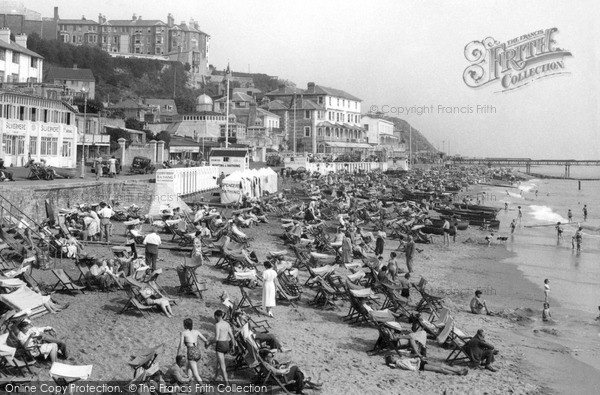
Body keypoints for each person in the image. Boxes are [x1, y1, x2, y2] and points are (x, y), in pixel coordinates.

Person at [258, 350, 323, 394]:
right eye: (271, 356)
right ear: (266, 358)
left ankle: (306, 383)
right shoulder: (266, 365)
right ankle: (302, 386)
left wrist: (280, 366)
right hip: (281, 378)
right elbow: (276, 372)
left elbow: (274, 370)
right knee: (295, 368)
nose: (272, 357)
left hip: (278, 376)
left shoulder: (263, 363)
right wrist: (285, 370)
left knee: (298, 373)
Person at [207, 310, 236, 386]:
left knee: (222, 366)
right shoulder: (227, 324)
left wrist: (209, 343)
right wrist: (233, 346)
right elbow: (232, 337)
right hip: (226, 345)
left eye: (215, 317)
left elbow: (216, 338)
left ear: (216, 316)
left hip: (220, 345)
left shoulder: (218, 325)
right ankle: (215, 378)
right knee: (219, 363)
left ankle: (227, 384)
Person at [177, 318, 209, 383]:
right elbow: (206, 340)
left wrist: (178, 354)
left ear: (185, 325)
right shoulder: (196, 331)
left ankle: (203, 387)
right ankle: (189, 381)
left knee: (196, 374)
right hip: (197, 351)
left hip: (191, 352)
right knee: (188, 367)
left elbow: (181, 345)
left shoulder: (184, 333)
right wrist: (206, 346)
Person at [385, 354, 468, 375]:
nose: (394, 356)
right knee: (440, 369)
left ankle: (458, 370)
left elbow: (410, 361)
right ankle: (458, 373)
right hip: (420, 366)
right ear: (392, 360)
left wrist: (417, 359)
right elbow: (411, 368)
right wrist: (417, 361)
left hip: (421, 362)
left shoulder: (400, 360)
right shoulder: (400, 363)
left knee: (441, 365)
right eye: (392, 357)